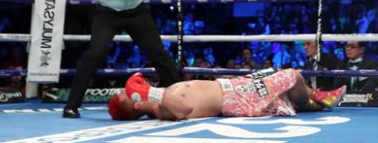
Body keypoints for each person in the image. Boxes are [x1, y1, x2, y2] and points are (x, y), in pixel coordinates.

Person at [108, 69, 347, 120]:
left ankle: (319, 98)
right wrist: (148, 91)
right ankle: (316, 100)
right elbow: (184, 110)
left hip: (234, 89)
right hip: (235, 98)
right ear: (137, 105)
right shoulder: (162, 108)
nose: (129, 90)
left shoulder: (161, 98)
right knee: (292, 76)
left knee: (283, 88)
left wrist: (149, 90)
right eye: (127, 95)